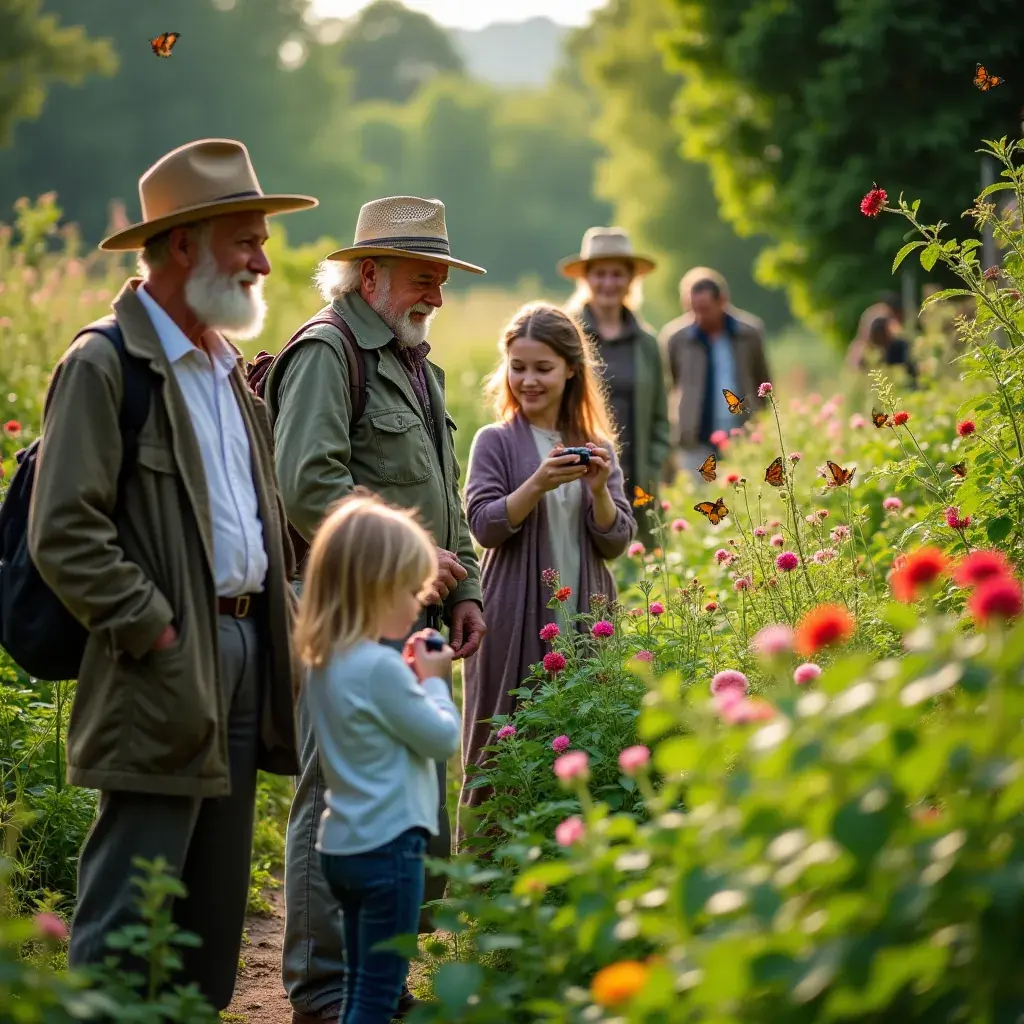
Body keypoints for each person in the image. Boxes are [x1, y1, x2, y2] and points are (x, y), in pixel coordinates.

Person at [27, 138, 315, 1009]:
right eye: (247, 240)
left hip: (242, 650)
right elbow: (63, 529)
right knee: (131, 907)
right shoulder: (103, 364)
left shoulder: (229, 372)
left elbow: (258, 523)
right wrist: (153, 627)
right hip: (160, 658)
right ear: (183, 244)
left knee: (210, 912)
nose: (265, 261)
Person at [264, 196, 487, 1024]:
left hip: (416, 611)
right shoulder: (327, 353)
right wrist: (406, 562)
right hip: (354, 615)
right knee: (340, 795)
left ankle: (377, 980)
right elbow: (307, 484)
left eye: (441, 277)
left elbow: (445, 496)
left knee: (405, 790)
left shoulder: (415, 362)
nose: (436, 293)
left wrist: (459, 590)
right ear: (370, 274)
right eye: (423, 276)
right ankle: (325, 990)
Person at [460, 302, 635, 825]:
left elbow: (616, 539)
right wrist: (536, 482)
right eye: (518, 367)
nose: (528, 381)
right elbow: (485, 525)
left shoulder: (595, 446)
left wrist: (600, 490)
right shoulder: (493, 441)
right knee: (503, 742)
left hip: (585, 612)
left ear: (571, 369)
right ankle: (491, 874)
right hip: (513, 610)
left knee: (584, 738)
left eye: (542, 368)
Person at [293, 491, 461, 1024]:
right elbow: (441, 739)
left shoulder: (325, 661)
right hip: (389, 848)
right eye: (410, 589)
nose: (417, 603)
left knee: (359, 983)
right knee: (377, 995)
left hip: (342, 846)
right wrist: (434, 682)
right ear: (376, 588)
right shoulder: (382, 669)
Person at [559, 227, 669, 542]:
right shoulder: (565, 333)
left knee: (643, 572)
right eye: (601, 274)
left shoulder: (647, 342)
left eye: (617, 274)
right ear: (586, 279)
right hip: (580, 472)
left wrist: (653, 462)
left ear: (631, 280)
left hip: (638, 477)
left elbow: (661, 415)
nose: (609, 283)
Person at [662, 275, 771, 473]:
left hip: (742, 435)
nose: (699, 316)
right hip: (695, 439)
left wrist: (761, 424)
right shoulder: (676, 338)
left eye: (705, 309)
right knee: (701, 502)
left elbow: (762, 380)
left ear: (722, 301)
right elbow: (670, 384)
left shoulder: (749, 333)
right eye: (693, 310)